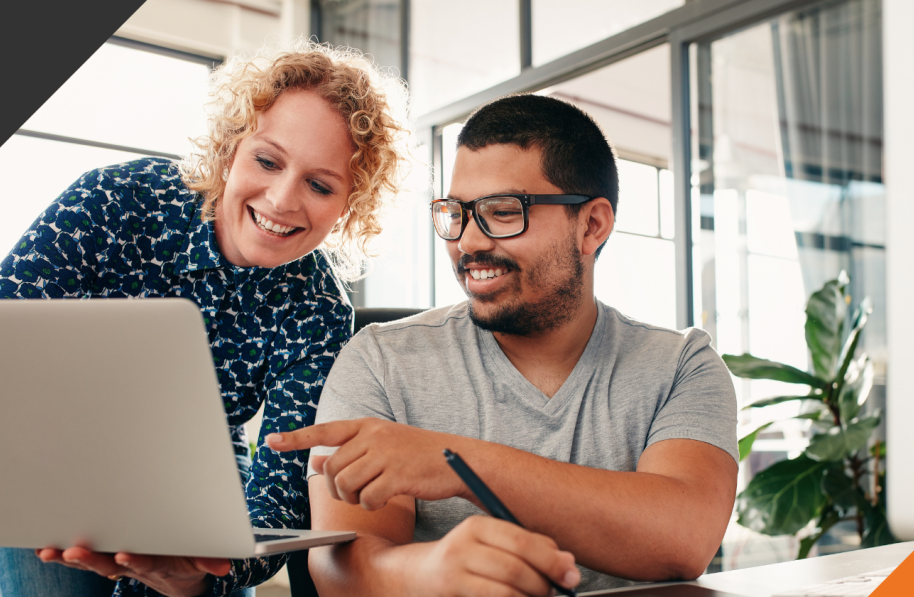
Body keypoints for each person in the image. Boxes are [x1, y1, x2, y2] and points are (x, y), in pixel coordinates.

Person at [0, 40, 412, 597]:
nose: (283, 200)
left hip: (200, 467)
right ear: (230, 148)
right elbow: (2, 344)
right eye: (267, 160)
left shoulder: (320, 311)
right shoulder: (113, 200)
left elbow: (282, 490)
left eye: (320, 184)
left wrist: (202, 575)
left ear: (350, 204)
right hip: (54, 451)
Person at [268, 94, 739, 596]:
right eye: (456, 213)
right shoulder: (378, 360)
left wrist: (457, 463)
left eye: (502, 211)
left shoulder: (682, 365)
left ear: (592, 225)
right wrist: (429, 576)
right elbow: (341, 572)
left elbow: (683, 538)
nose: (469, 241)